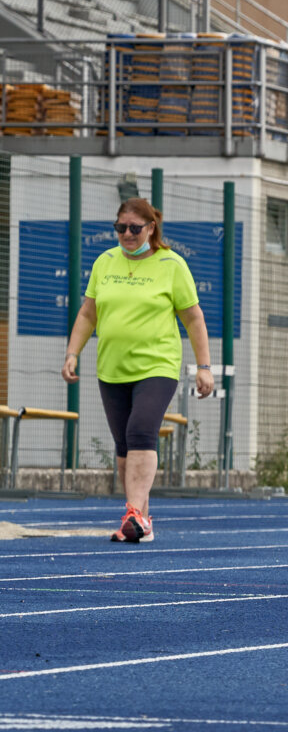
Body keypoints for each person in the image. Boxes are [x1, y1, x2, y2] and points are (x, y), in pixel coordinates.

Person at [62, 197, 217, 542]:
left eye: (135, 228)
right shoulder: (105, 262)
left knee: (141, 431)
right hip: (112, 367)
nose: (127, 234)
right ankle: (141, 520)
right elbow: (89, 313)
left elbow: (193, 318)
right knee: (122, 446)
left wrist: (204, 367)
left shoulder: (172, 264)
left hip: (157, 365)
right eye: (121, 228)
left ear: (151, 228)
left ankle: (133, 513)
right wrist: (73, 352)